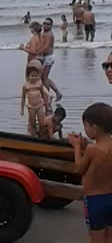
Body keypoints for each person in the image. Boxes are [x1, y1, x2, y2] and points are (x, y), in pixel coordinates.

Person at [68, 103, 112, 243]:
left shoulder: (92, 149)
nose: (85, 129)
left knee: (97, 238)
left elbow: (79, 169)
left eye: (86, 126)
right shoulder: (98, 147)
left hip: (95, 200)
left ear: (95, 127)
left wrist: (76, 147)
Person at [37, 18, 63, 105]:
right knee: (44, 77)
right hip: (45, 57)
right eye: (44, 23)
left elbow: (46, 46)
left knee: (44, 78)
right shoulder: (43, 33)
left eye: (48, 24)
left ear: (51, 25)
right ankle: (56, 93)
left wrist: (37, 53)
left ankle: (48, 97)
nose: (45, 25)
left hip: (48, 57)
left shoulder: (49, 34)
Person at [20, 60, 49, 137]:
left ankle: (43, 136)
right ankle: (34, 135)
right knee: (32, 124)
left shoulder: (39, 84)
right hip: (31, 107)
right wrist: (22, 109)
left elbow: (43, 96)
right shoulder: (26, 86)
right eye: (32, 76)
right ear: (28, 76)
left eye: (36, 76)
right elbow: (23, 98)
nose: (34, 78)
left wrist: (47, 106)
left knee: (42, 124)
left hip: (39, 105)